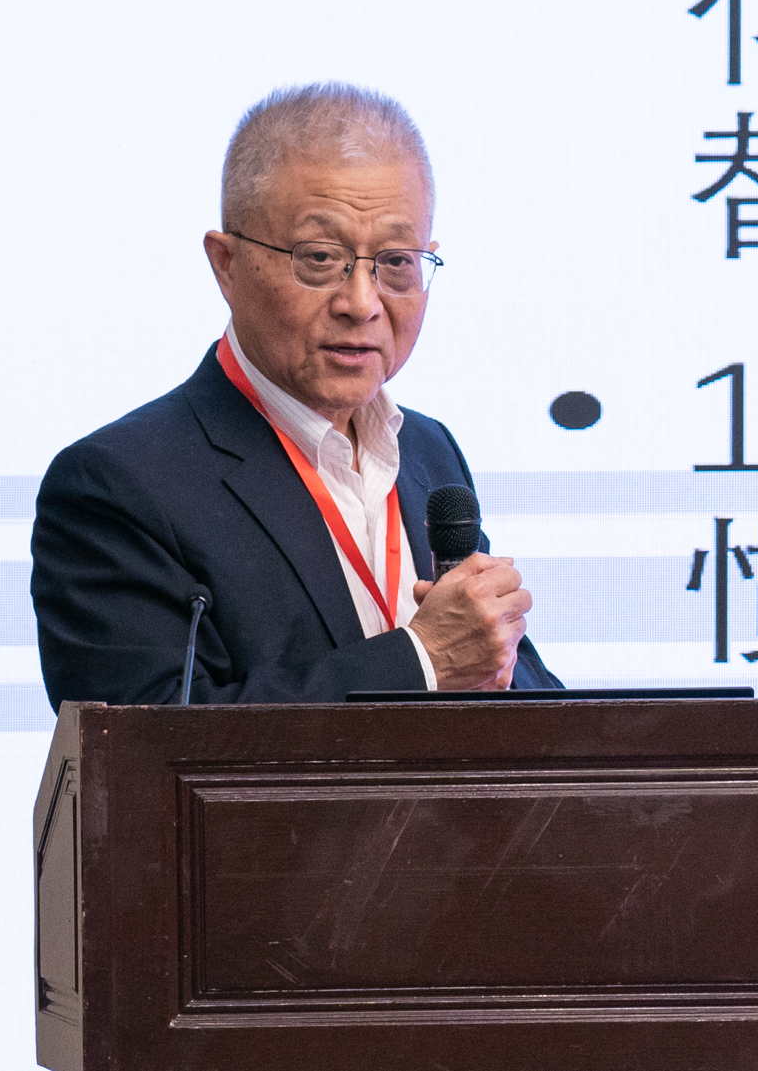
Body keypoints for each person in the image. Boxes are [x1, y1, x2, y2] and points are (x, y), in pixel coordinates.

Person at [31, 82, 560, 707]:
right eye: (320, 258)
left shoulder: (427, 450)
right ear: (226, 265)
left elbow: (502, 680)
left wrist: (495, 662)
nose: (362, 304)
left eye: (396, 262)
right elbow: (145, 741)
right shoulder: (117, 485)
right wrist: (421, 662)